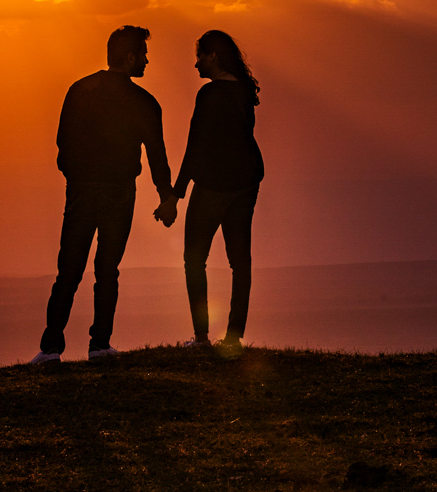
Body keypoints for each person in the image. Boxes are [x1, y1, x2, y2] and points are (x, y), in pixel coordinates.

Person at [30, 25, 179, 364]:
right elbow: (157, 154)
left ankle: (50, 347)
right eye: (142, 53)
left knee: (68, 270)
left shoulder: (80, 90)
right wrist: (166, 196)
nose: (146, 60)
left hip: (80, 190)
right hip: (119, 191)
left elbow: (62, 142)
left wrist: (75, 174)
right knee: (107, 269)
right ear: (129, 58)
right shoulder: (144, 102)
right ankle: (100, 344)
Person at [155, 30, 263, 357]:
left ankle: (201, 337)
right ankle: (234, 336)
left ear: (213, 56)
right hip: (245, 183)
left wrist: (176, 194)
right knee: (239, 261)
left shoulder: (210, 94)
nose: (196, 63)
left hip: (214, 186)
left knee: (194, 260)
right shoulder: (244, 91)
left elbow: (196, 148)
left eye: (200, 55)